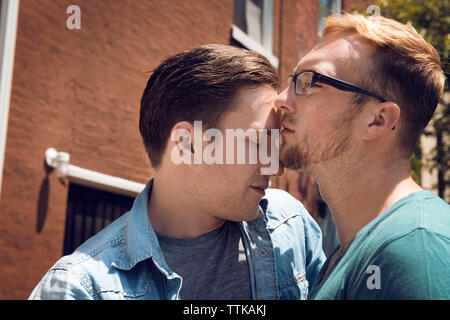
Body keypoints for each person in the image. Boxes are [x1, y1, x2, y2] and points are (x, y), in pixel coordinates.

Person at [29, 44, 326, 300]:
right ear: (188, 145)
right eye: (258, 143)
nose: (275, 166)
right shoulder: (80, 288)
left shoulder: (291, 226)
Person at [275, 13, 450, 300]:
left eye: (310, 82)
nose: (281, 99)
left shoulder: (416, 247)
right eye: (293, 80)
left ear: (378, 121)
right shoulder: (347, 255)